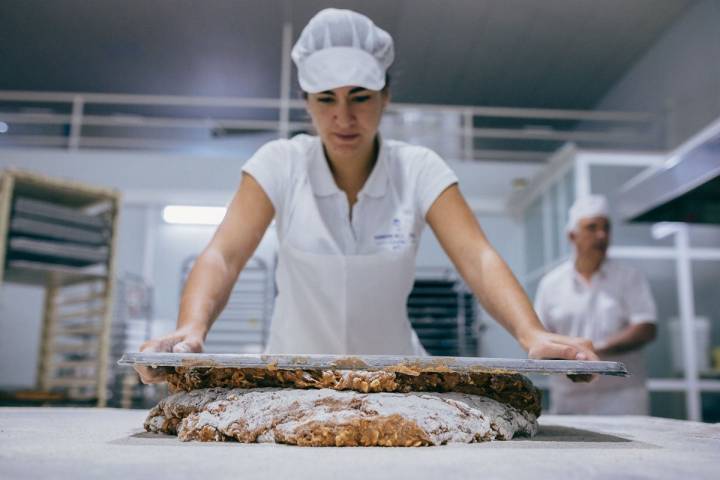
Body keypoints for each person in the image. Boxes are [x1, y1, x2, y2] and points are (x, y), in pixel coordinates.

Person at [136, 8, 598, 384]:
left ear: (386, 97)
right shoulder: (280, 163)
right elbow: (224, 255)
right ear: (305, 102)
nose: (343, 118)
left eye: (359, 97)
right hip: (292, 380)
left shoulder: (417, 168)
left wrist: (530, 333)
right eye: (325, 99)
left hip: (394, 381)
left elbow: (477, 258)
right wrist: (192, 327)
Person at [534, 195, 657, 414]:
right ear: (572, 236)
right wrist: (572, 357)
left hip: (623, 399)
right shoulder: (551, 284)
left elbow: (646, 328)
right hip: (569, 399)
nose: (601, 235)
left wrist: (594, 349)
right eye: (592, 228)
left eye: (606, 228)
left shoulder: (629, 278)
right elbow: (539, 337)